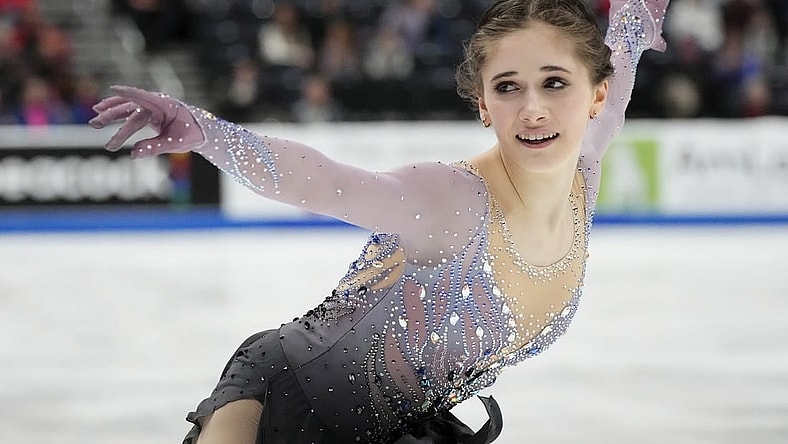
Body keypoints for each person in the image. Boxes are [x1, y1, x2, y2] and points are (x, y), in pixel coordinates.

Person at [88, 0, 670, 442]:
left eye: (555, 83)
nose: (534, 108)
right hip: (287, 399)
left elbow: (625, 42)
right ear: (484, 105)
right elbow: (321, 180)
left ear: (596, 96)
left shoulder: (585, 163)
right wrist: (210, 134)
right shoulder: (452, 200)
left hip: (405, 428)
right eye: (508, 87)